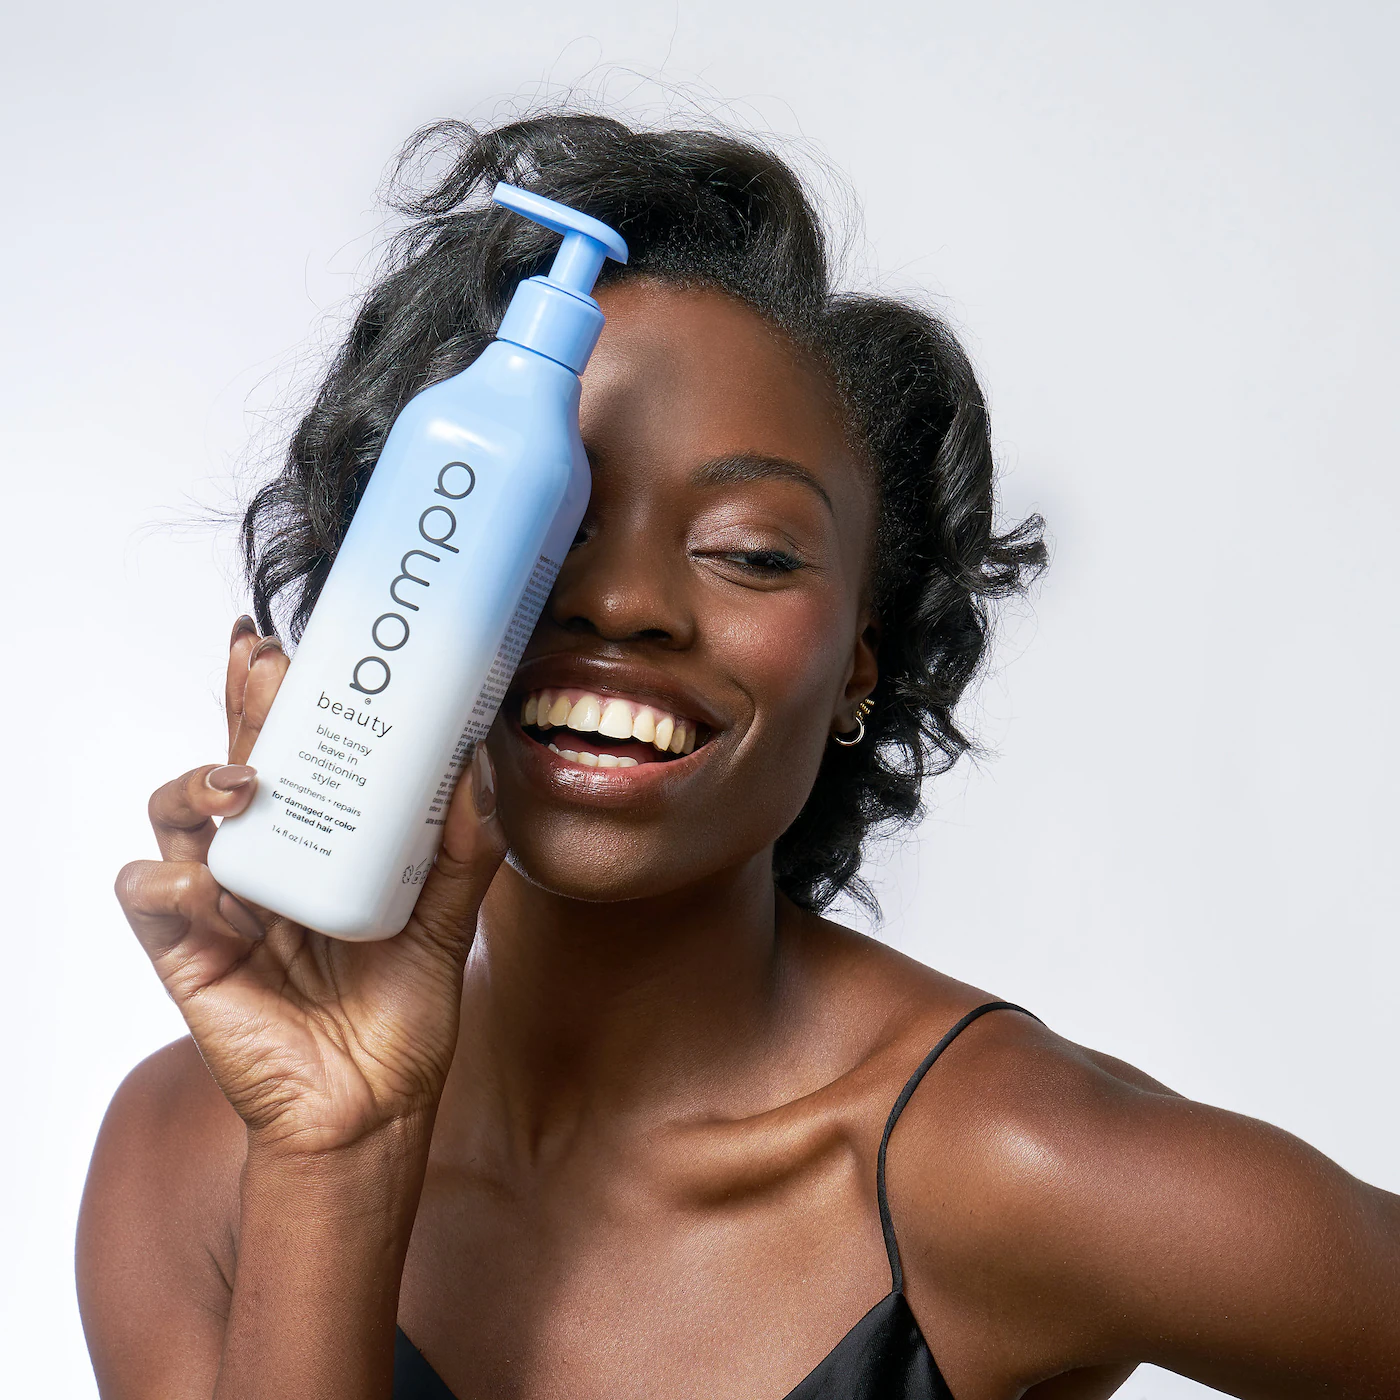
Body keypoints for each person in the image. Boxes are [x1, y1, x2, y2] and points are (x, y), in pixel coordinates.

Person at [77, 112, 1399, 1400]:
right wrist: (336, 1153)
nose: (624, 603)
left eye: (751, 552)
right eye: (547, 525)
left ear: (862, 661)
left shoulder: (1013, 1163)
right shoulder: (192, 1155)